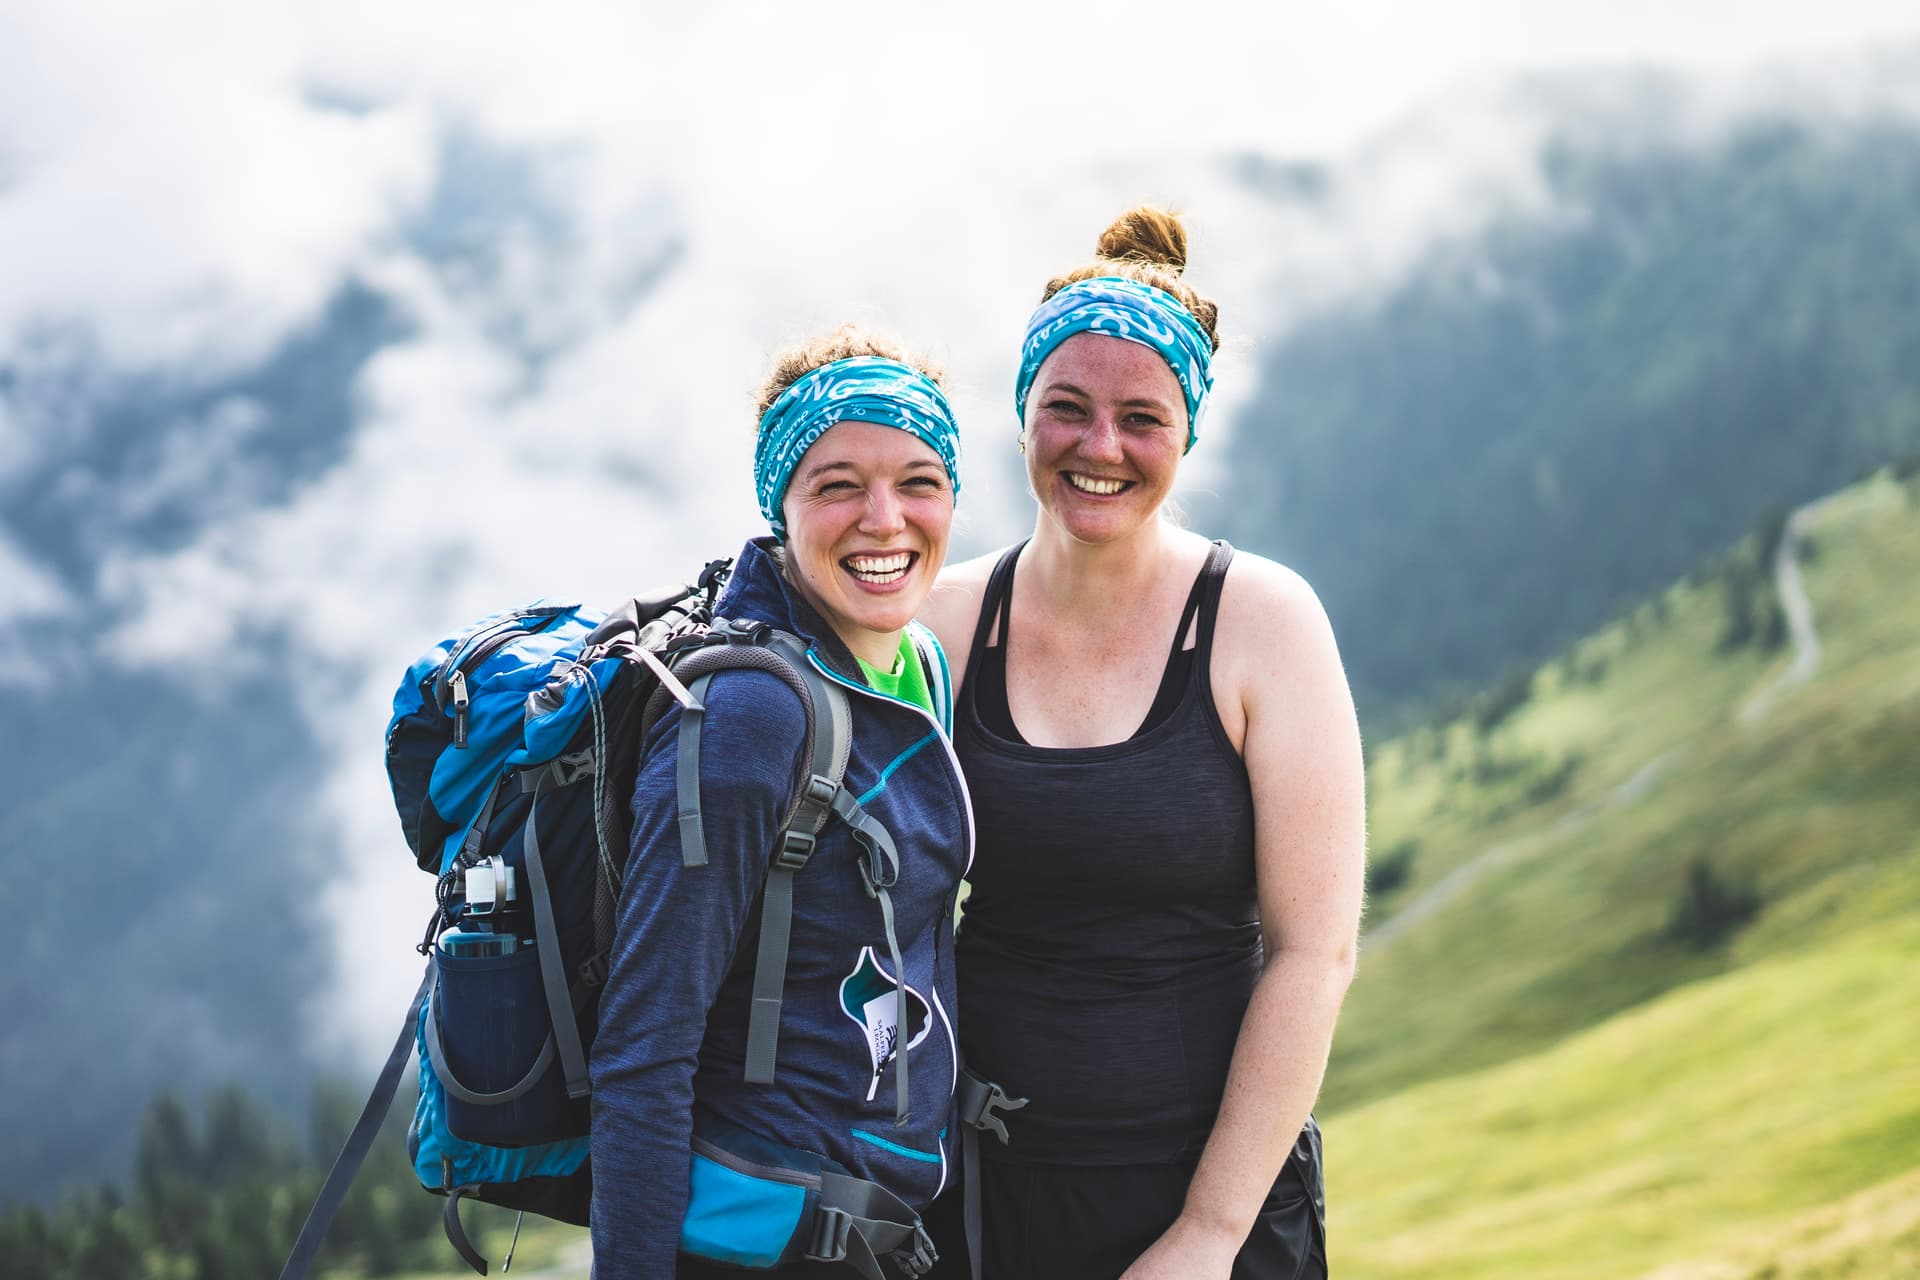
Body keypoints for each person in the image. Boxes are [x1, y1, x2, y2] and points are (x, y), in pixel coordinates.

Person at [918, 208, 1366, 1279]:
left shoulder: (1264, 622)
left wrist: (1207, 1237)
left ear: (1189, 432)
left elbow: (1315, 950)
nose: (1099, 447)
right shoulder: (939, 628)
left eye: (1141, 417)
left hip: (1214, 1202)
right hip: (979, 1199)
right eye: (1065, 409)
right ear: (1024, 417)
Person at [591, 327, 974, 1279]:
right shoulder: (751, 714)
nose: (885, 519)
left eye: (919, 481)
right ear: (781, 504)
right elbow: (643, 1046)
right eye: (838, 483)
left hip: (880, 1228)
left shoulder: (912, 662)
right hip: (761, 1243)